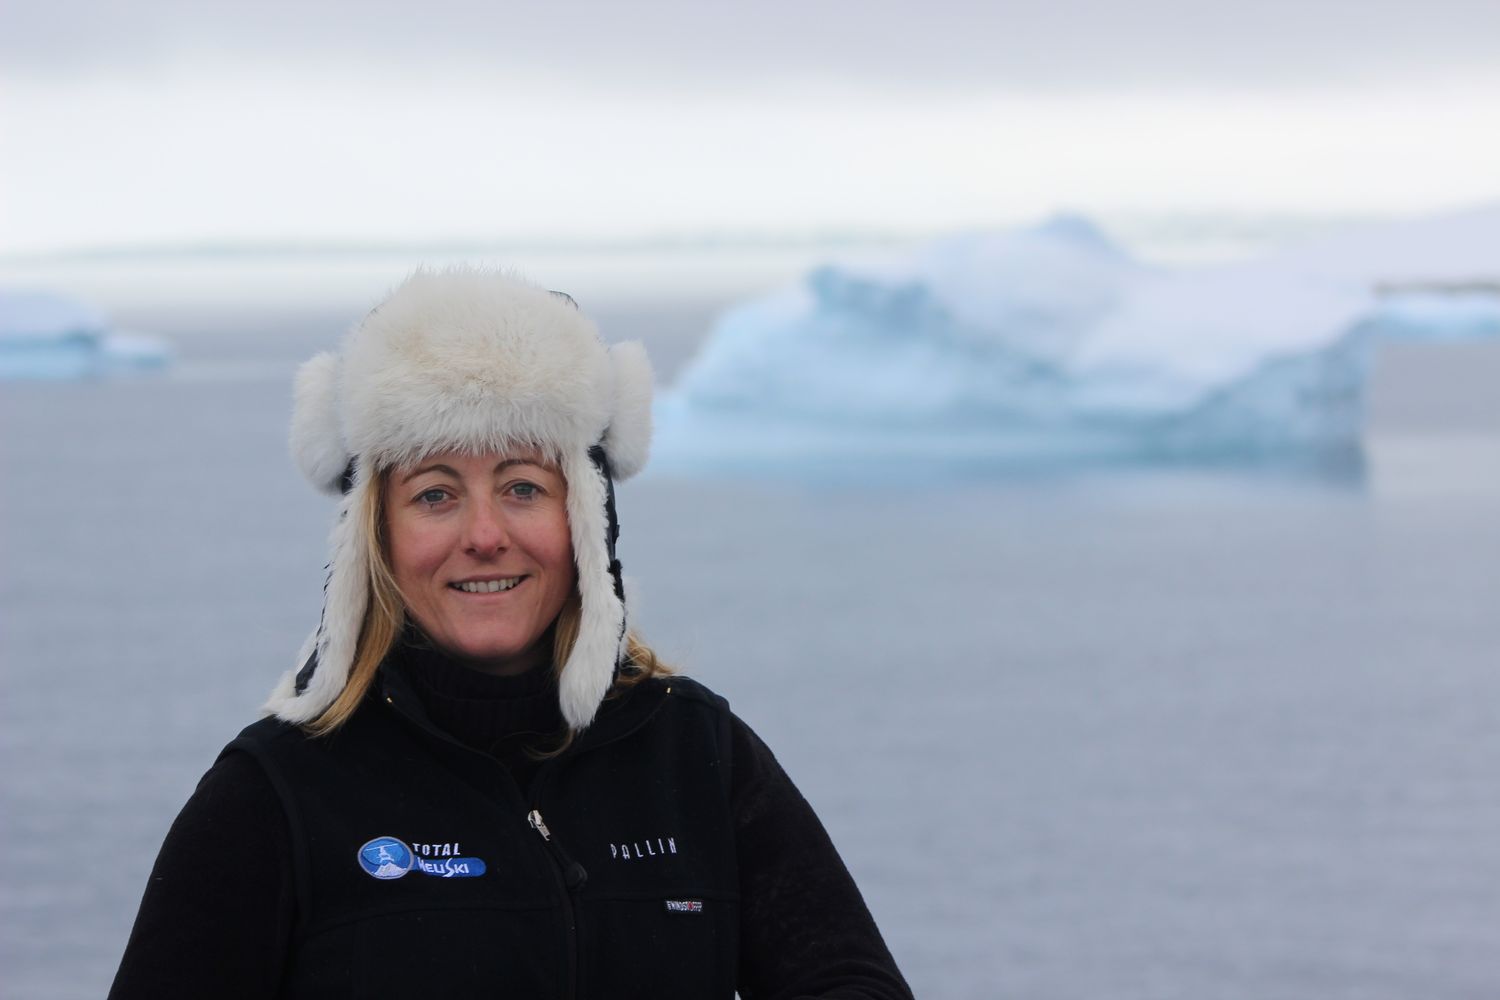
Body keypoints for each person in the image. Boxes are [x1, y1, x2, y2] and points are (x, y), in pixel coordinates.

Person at [109, 268, 912, 999]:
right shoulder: (278, 791)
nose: (486, 535)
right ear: (375, 534)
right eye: (435, 494)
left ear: (585, 520)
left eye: (523, 487)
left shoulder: (697, 756)